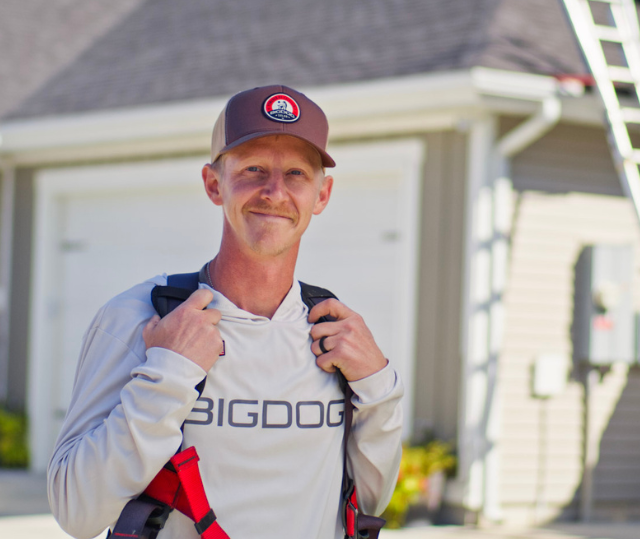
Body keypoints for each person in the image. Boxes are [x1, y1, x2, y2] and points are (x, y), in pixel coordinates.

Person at [48, 85, 404, 539]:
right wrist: (167, 375)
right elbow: (75, 513)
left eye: (296, 173)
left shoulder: (336, 335)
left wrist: (379, 386)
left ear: (322, 195)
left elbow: (370, 501)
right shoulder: (139, 318)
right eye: (253, 168)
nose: (275, 191)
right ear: (214, 184)